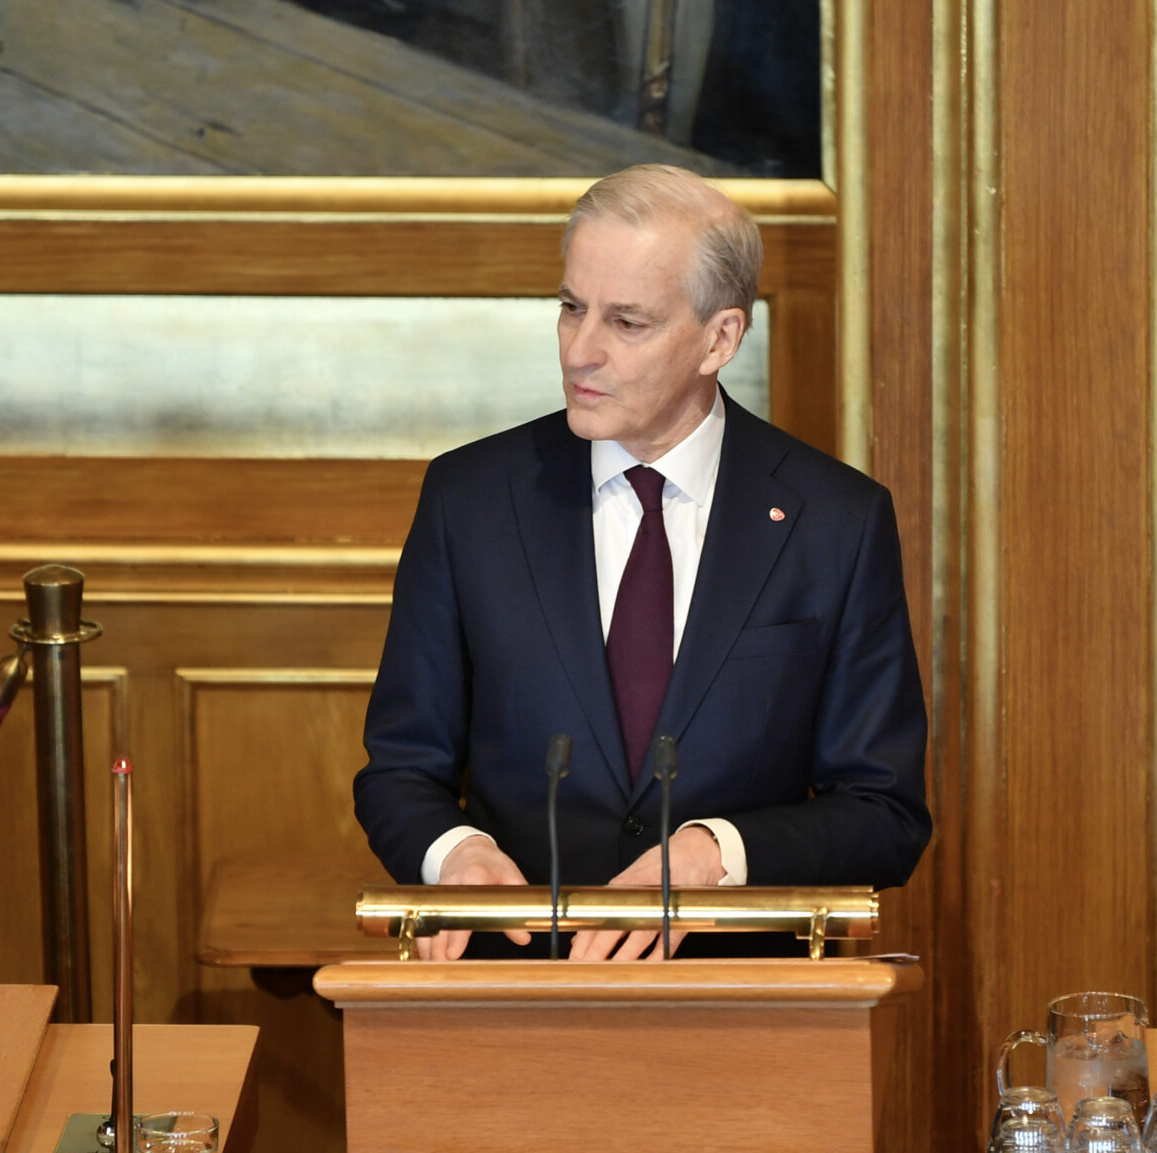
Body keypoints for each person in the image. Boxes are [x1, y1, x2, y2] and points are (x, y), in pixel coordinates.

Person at [353, 163, 930, 960]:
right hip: (514, 987)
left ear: (720, 338)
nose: (580, 352)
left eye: (626, 323)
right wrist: (455, 854)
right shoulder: (472, 498)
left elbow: (883, 812)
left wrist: (713, 855)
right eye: (569, 309)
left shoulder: (834, 521)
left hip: (743, 1008)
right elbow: (400, 770)